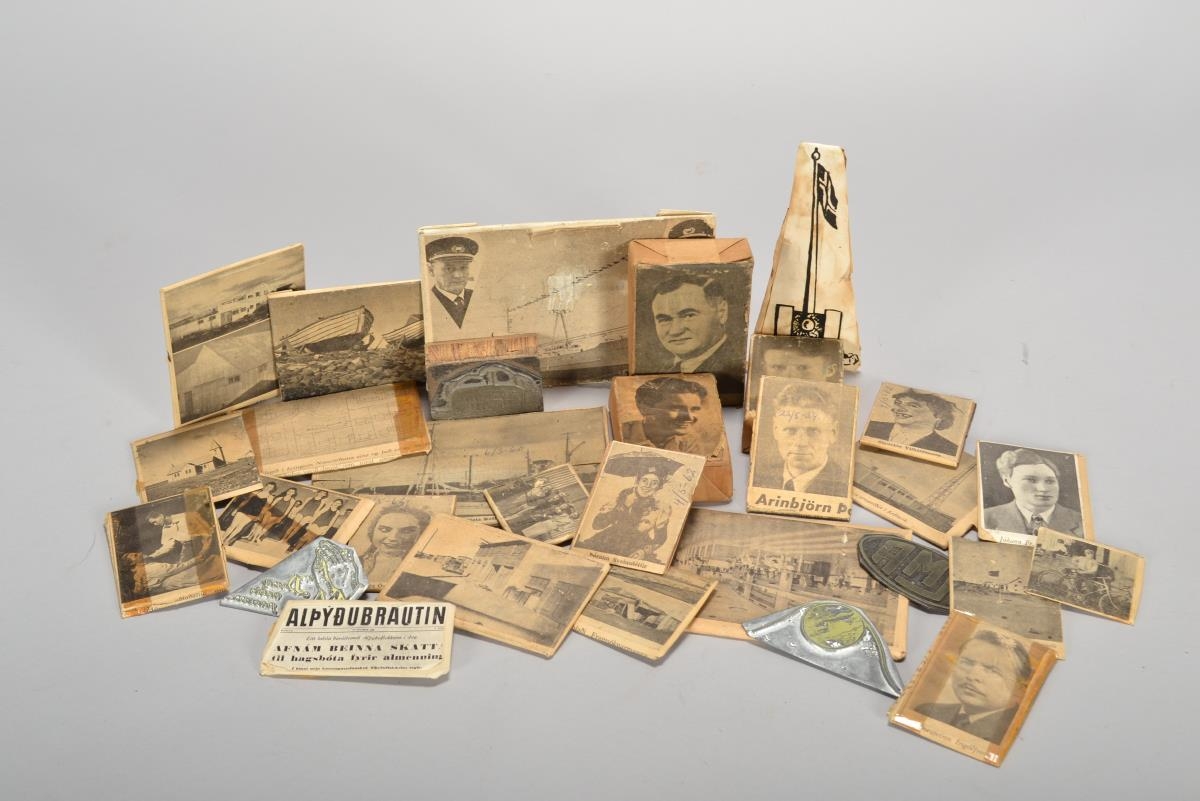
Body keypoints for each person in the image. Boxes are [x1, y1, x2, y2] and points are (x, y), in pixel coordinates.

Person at [916, 629, 1031, 743]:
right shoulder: (926, 711)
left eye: (992, 670)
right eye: (967, 663)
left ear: (1018, 685)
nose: (972, 676)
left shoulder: (1013, 736)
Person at [649, 275, 743, 400]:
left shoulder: (736, 379)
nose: (675, 331)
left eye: (689, 315)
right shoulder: (663, 373)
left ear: (721, 312)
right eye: (664, 320)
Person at [762, 382, 847, 495]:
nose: (800, 442)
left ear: (833, 433)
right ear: (775, 430)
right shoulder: (761, 478)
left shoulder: (844, 486)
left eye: (813, 431)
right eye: (790, 430)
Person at [578, 466, 671, 562]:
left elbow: (660, 538)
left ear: (659, 486)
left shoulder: (661, 507)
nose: (647, 485)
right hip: (609, 538)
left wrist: (644, 551)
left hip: (636, 545)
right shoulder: (622, 496)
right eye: (644, 480)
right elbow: (597, 525)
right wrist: (624, 506)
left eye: (654, 483)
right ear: (638, 481)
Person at [983, 448, 1083, 536]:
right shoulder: (986, 518)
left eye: (1049, 481)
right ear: (1007, 481)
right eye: (1031, 480)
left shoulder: (1081, 522)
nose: (1043, 489)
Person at [622, 376, 719, 456]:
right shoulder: (621, 435)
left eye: (694, 409)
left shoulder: (690, 442)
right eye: (676, 408)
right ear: (645, 408)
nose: (689, 417)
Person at [864, 389, 959, 456]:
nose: (900, 409)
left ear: (939, 416)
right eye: (898, 403)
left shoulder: (949, 449)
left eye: (913, 406)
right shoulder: (871, 426)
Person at [360, 507, 431, 581]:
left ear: (421, 534)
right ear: (372, 531)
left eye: (406, 531)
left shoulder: (425, 570)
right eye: (384, 529)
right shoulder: (356, 562)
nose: (393, 538)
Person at [425, 236, 478, 328]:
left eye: (463, 267)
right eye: (449, 268)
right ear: (431, 270)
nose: (458, 275)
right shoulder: (428, 302)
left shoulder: (478, 296)